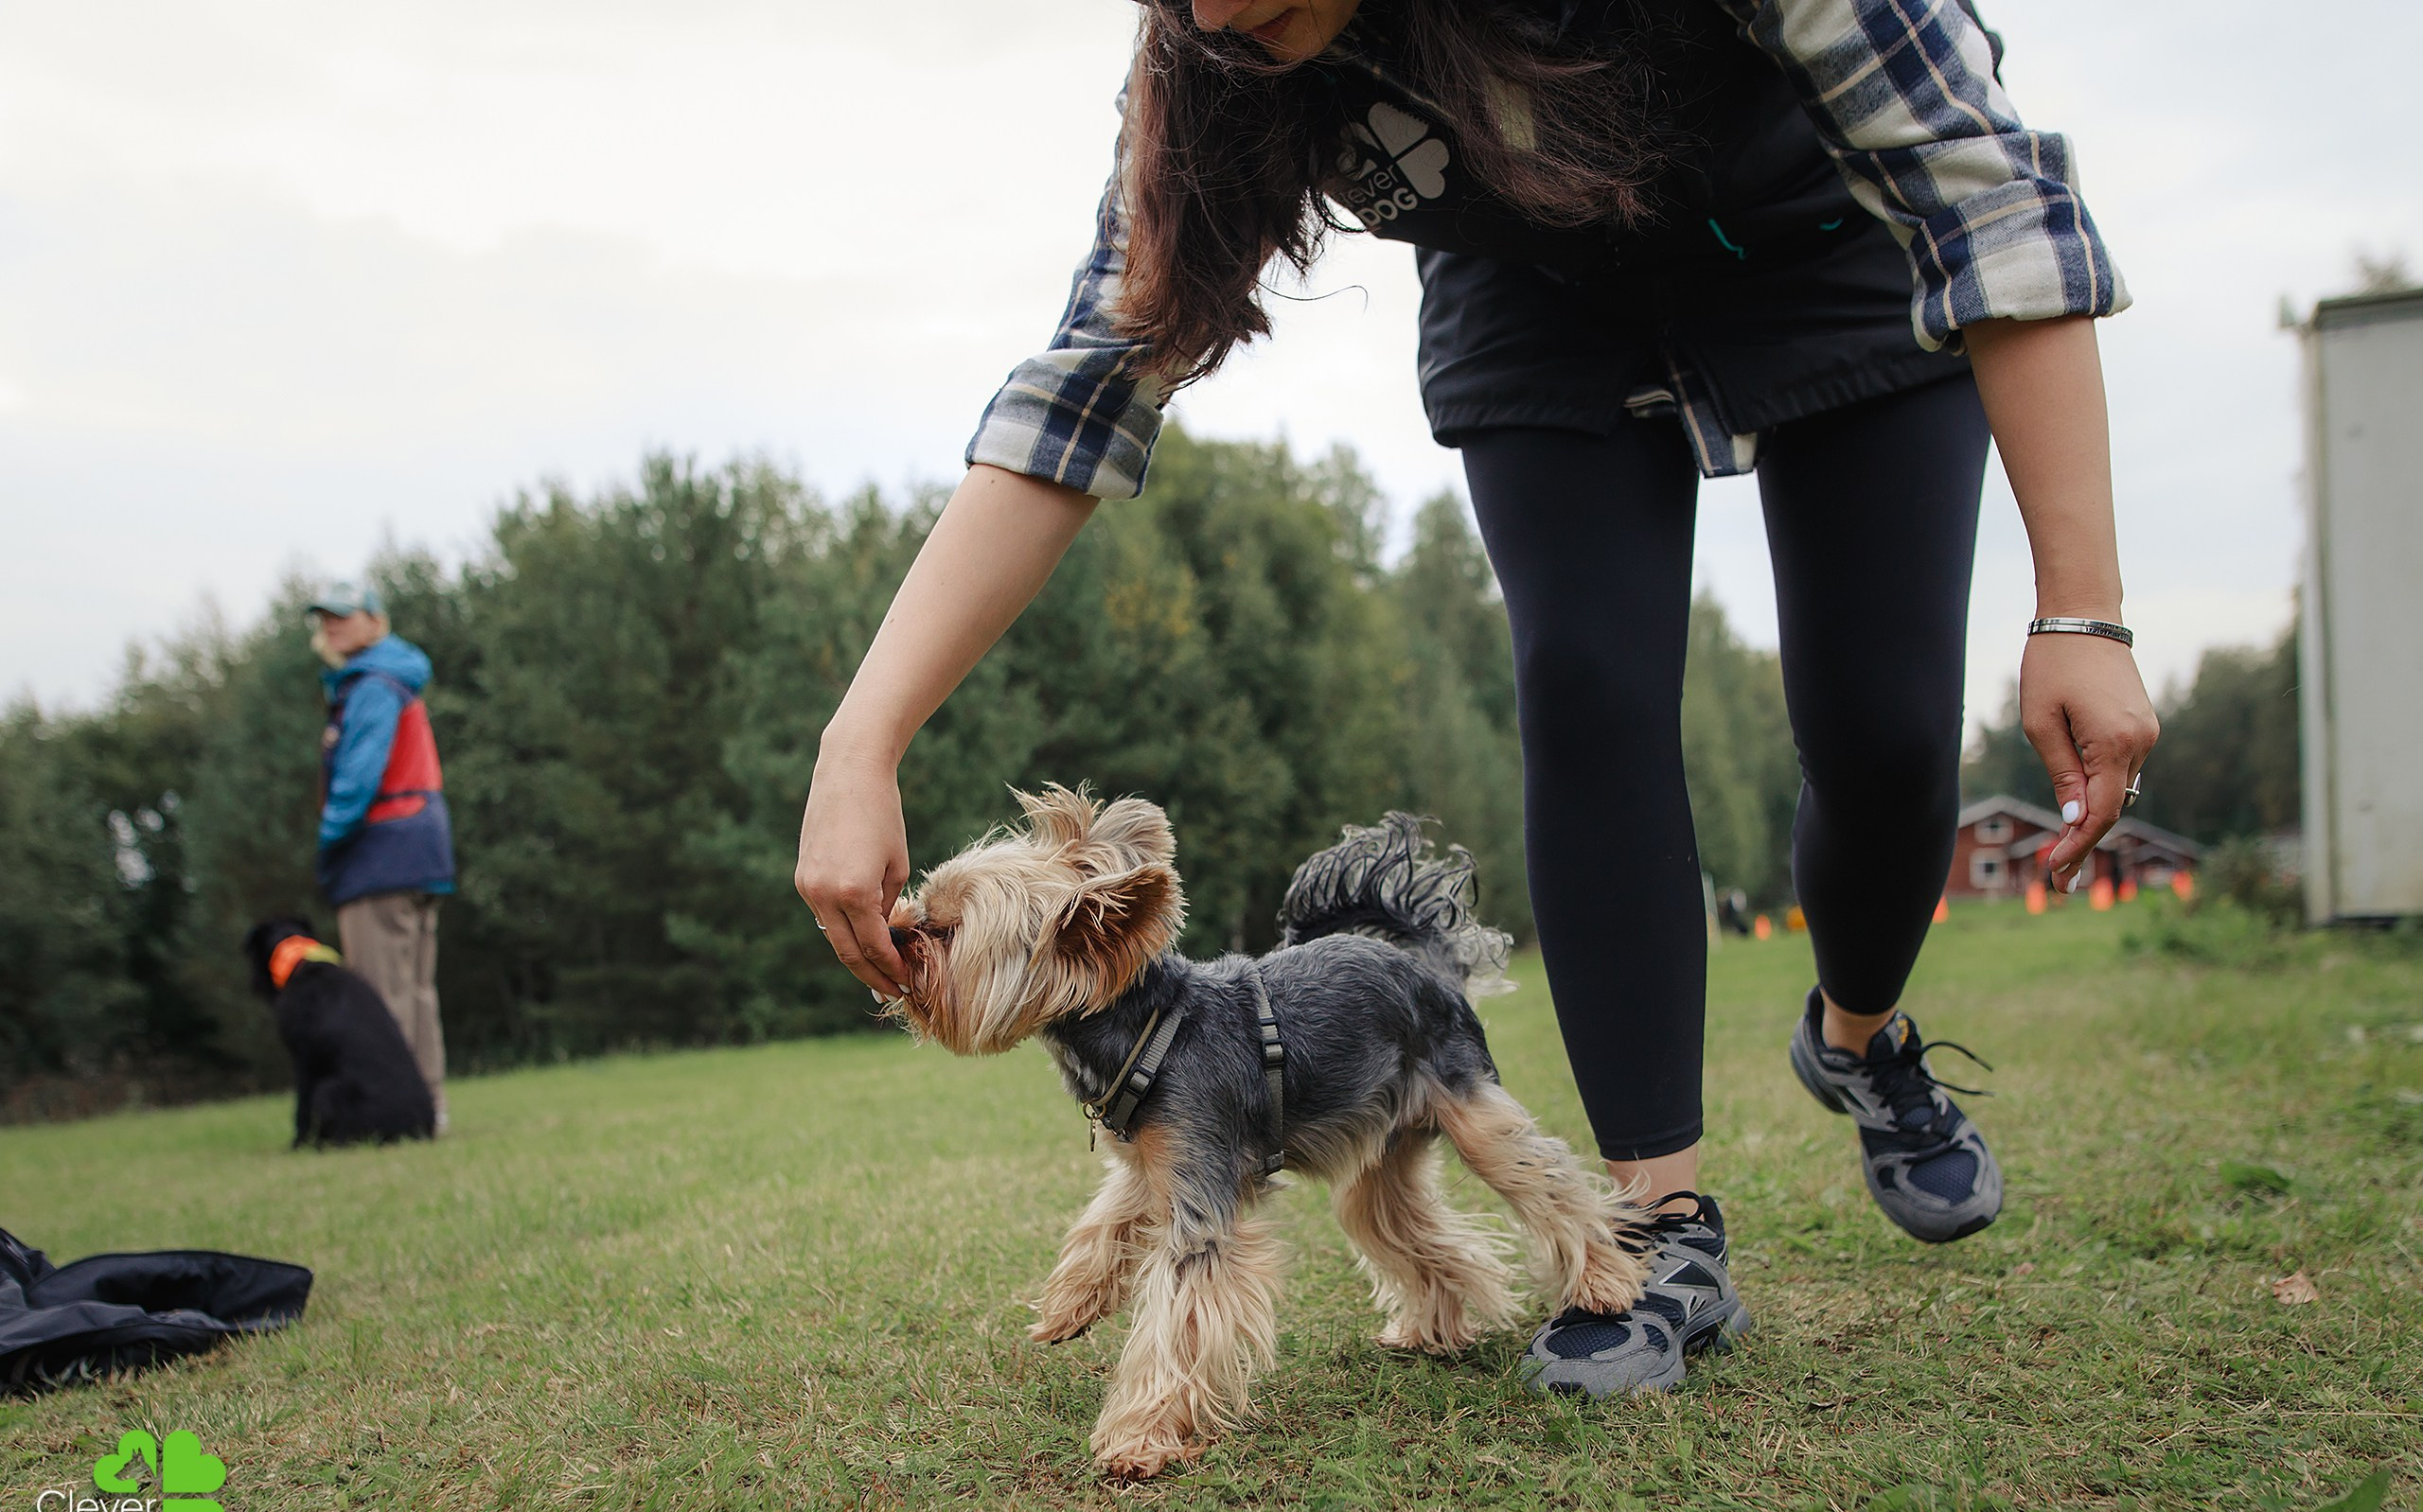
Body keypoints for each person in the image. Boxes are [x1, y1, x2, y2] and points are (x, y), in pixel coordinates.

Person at [795, 0, 2158, 1395]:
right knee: (1585, 683)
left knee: (1883, 727)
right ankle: (1655, 1224)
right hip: (1538, 295)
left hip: (1822, 230)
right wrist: (864, 735)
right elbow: (1088, 380)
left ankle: (1860, 1036)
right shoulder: (1207, 75)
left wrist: (2081, 609)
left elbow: (1990, 195)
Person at [308, 582, 455, 1133]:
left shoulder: (371, 686)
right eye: (325, 619)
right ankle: (427, 1107)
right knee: (417, 989)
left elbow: (358, 778)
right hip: (422, 848)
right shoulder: (399, 679)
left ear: (375, 620)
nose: (332, 627)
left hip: (381, 851)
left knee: (381, 993)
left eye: (344, 616)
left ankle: (394, 1113)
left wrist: (329, 840)